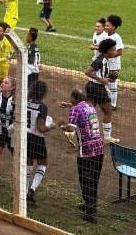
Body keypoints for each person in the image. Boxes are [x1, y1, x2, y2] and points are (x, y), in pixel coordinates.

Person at [58, 90, 104, 223]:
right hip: (99, 148)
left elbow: (71, 129)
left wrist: (61, 124)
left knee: (85, 180)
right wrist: (69, 106)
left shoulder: (75, 109)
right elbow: (80, 113)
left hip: (87, 151)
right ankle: (90, 205)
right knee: (94, 180)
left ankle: (90, 212)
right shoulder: (90, 106)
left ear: (73, 98)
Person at [84, 38, 119, 143]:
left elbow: (98, 73)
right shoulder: (100, 60)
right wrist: (102, 80)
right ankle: (107, 138)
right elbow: (88, 72)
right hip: (97, 88)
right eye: (113, 49)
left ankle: (73, 130)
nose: (115, 51)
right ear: (107, 51)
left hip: (91, 86)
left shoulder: (103, 59)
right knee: (108, 112)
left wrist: (108, 77)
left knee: (88, 112)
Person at [26, 81, 55, 202]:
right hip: (37, 139)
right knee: (42, 163)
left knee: (28, 163)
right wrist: (51, 126)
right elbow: (41, 128)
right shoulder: (42, 107)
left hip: (25, 137)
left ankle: (24, 189)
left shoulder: (25, 102)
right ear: (43, 93)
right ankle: (32, 189)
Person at [103, 14, 124, 111]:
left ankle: (113, 104)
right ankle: (109, 100)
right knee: (106, 83)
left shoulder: (117, 37)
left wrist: (109, 55)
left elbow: (120, 52)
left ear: (114, 27)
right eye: (105, 25)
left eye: (108, 26)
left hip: (114, 65)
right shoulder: (105, 35)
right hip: (106, 64)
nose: (106, 27)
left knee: (112, 84)